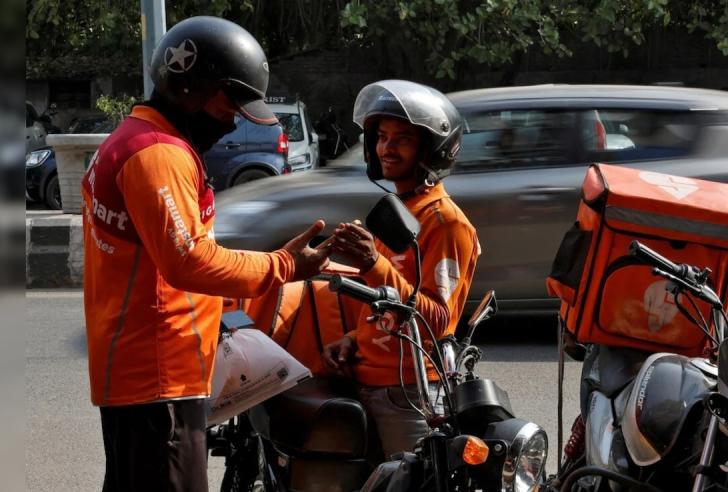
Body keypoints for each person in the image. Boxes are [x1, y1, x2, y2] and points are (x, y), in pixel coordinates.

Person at [81, 16, 330, 492]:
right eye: (230, 102)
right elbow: (188, 260)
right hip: (158, 379)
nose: (234, 119)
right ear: (191, 87)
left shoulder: (132, 139)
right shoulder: (157, 154)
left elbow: (162, 258)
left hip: (143, 372)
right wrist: (283, 265)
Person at [321, 80, 480, 458]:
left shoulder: (445, 222)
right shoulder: (399, 210)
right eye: (381, 137)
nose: (386, 148)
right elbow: (385, 301)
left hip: (409, 392)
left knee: (410, 481)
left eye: (402, 139)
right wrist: (354, 338)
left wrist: (372, 263)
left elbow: (437, 320)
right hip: (367, 380)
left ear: (432, 148)